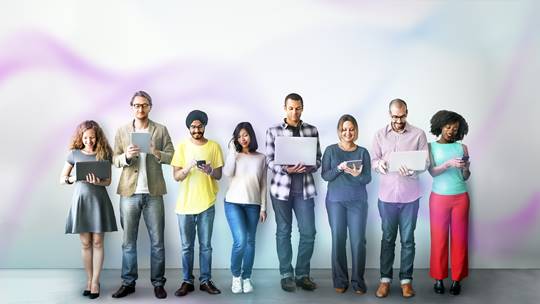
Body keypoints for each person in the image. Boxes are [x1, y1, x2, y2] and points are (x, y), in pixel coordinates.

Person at [111, 91, 174, 299]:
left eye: (144, 105)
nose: (140, 109)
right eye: (137, 105)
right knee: (128, 241)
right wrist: (126, 157)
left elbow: (172, 155)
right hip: (129, 193)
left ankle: (158, 283)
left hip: (153, 193)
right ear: (132, 107)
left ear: (150, 107)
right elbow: (114, 158)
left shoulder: (161, 130)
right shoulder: (122, 131)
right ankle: (128, 282)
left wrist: (157, 153)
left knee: (158, 242)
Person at [371, 98, 428, 298]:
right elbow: (373, 160)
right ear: (390, 115)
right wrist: (380, 165)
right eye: (395, 116)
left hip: (410, 197)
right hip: (386, 197)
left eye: (402, 116)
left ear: (407, 113)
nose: (398, 120)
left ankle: (406, 281)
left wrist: (413, 170)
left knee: (408, 240)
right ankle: (385, 280)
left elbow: (426, 162)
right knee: (387, 239)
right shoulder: (379, 135)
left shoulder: (418, 134)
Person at [265, 93, 321, 292]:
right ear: (285, 108)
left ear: (302, 108)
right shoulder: (273, 131)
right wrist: (285, 169)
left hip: (304, 190)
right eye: (291, 108)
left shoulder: (311, 130)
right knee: (283, 231)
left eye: (298, 108)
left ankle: (302, 274)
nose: (294, 112)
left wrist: (310, 166)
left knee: (308, 232)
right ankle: (286, 274)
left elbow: (318, 159)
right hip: (281, 191)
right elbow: (269, 160)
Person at [60, 120, 118, 299]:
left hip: (99, 201)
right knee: (85, 243)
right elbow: (62, 178)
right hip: (81, 202)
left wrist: (97, 182)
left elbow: (107, 181)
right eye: (86, 137)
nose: (89, 141)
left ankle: (95, 282)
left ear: (97, 137)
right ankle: (88, 279)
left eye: (92, 137)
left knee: (98, 242)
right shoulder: (74, 154)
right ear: (81, 137)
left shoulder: (104, 153)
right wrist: (74, 178)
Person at [172, 110, 224, 297]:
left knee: (206, 246)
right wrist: (189, 166)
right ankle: (187, 281)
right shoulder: (182, 147)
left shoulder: (214, 147)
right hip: (185, 206)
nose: (196, 129)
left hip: (207, 204)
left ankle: (205, 280)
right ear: (189, 128)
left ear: (204, 126)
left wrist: (210, 170)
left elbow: (218, 175)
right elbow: (176, 176)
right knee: (187, 247)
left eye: (199, 126)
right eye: (193, 126)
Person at [321, 114, 371, 295]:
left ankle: (358, 281)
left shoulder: (363, 152)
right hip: (335, 202)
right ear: (339, 132)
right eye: (344, 129)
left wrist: (358, 175)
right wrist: (339, 168)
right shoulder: (331, 151)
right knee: (338, 240)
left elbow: (368, 179)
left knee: (358, 241)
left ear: (356, 130)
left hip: (358, 202)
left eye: (351, 129)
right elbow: (325, 175)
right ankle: (340, 280)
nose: (348, 132)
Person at [427, 110, 471, 296]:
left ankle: (457, 279)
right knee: (439, 239)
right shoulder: (430, 146)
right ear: (440, 126)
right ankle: (438, 278)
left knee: (460, 240)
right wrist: (448, 164)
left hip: (461, 197)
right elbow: (432, 172)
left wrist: (466, 169)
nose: (451, 131)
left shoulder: (463, 148)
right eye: (448, 127)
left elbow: (465, 177)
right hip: (438, 198)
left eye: (455, 128)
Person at [222, 122, 267, 294]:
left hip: (253, 205)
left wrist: (263, 207)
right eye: (239, 136)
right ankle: (236, 277)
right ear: (236, 139)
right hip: (233, 203)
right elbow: (227, 173)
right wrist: (233, 152)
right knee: (240, 241)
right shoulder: (234, 155)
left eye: (245, 135)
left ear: (251, 136)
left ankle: (246, 277)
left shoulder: (261, 158)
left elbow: (263, 185)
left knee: (250, 242)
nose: (243, 139)